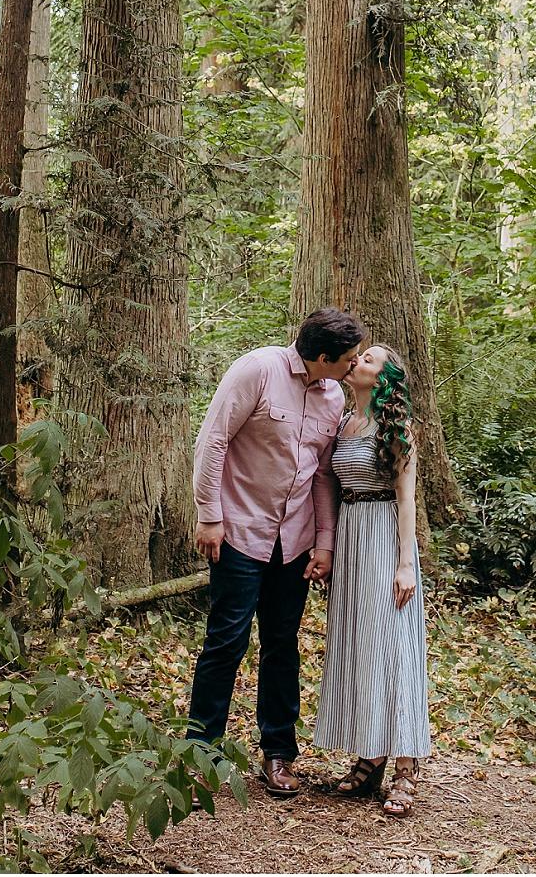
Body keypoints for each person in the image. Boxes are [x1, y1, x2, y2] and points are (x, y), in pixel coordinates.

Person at [185, 308, 365, 798]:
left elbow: (324, 475)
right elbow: (213, 440)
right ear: (323, 356)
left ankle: (279, 754)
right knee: (226, 642)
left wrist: (325, 541)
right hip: (240, 530)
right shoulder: (257, 370)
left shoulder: (333, 398)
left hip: (296, 542)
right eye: (348, 360)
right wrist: (209, 515)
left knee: (282, 646)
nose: (354, 367)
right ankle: (202, 751)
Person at [313, 343, 431, 816]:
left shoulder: (396, 429)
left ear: (384, 379)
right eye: (358, 357)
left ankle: (405, 767)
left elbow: (407, 500)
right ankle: (370, 753)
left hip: (385, 539)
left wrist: (406, 563)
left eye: (368, 359)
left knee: (395, 647)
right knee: (361, 648)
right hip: (351, 541)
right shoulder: (344, 423)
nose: (356, 361)